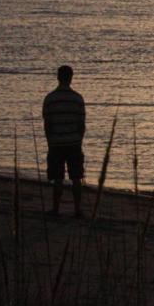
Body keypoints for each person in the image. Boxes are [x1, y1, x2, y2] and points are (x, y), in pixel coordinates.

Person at [42, 65, 86, 218]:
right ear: (71, 77)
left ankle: (55, 208)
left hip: (56, 143)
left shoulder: (50, 99)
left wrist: (50, 142)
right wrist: (79, 140)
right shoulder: (78, 99)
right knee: (76, 177)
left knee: (58, 178)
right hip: (74, 142)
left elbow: (47, 124)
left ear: (58, 77)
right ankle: (77, 209)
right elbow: (81, 124)